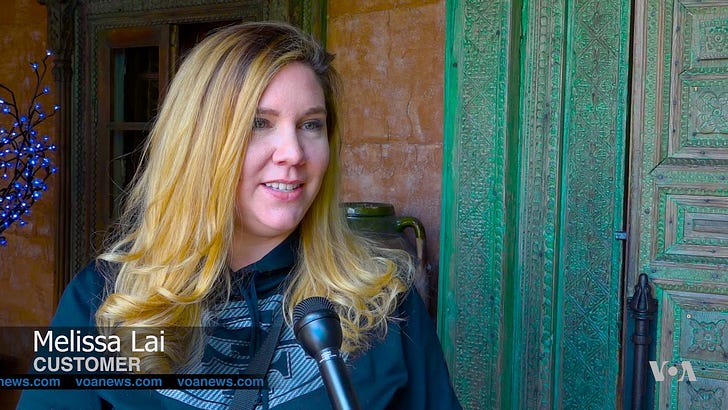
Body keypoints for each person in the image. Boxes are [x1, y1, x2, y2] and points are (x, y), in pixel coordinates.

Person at [18, 21, 461, 409]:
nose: (293, 153)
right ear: (197, 143)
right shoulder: (103, 303)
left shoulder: (382, 302)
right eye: (258, 123)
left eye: (311, 124)